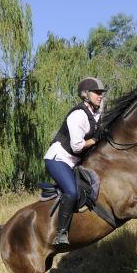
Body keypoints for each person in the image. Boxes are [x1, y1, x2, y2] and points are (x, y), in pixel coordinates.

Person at [44, 77, 107, 246]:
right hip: (58, 159)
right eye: (97, 93)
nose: (100, 96)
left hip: (74, 161)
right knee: (71, 192)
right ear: (85, 95)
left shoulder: (97, 114)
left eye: (102, 93)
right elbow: (77, 146)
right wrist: (95, 140)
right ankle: (61, 233)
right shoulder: (78, 115)